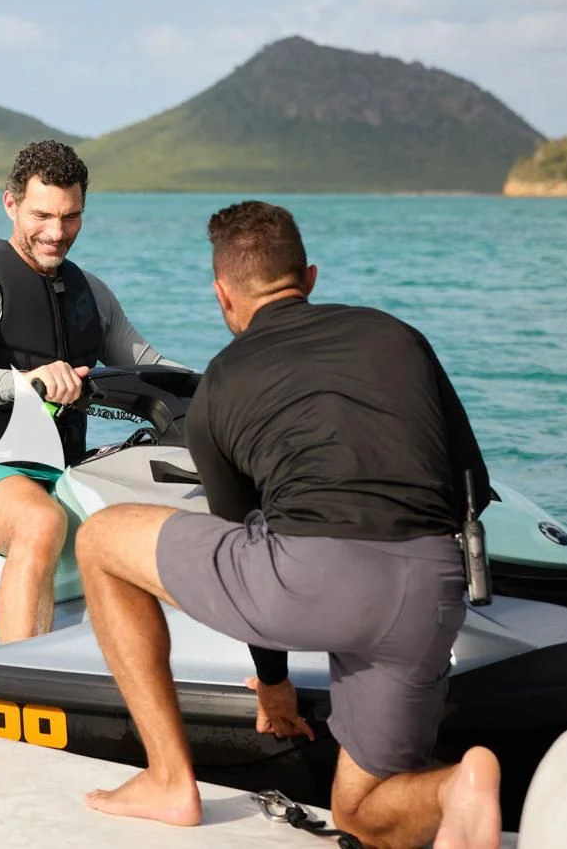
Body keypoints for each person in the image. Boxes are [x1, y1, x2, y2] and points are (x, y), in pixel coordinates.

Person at [74, 200, 502, 849]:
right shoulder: (397, 335)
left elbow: (240, 530)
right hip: (428, 588)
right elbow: (472, 485)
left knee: (100, 540)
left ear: (223, 296)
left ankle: (168, 780)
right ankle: (457, 787)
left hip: (309, 584)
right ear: (309, 278)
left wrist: (274, 685)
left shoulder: (220, 384)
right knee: (360, 812)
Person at [0, 140, 184, 643]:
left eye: (71, 216)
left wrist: (229, 389)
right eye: (42, 215)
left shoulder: (91, 291)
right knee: (41, 522)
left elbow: (150, 365)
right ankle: (19, 673)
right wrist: (28, 381)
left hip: (63, 467)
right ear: (11, 204)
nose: (56, 232)